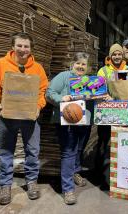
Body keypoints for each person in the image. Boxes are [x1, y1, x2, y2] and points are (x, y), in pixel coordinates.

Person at [0, 32, 48, 205]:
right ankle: (5, 185)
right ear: (12, 47)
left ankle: (31, 182)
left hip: (30, 117)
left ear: (30, 48)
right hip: (8, 116)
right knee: (6, 151)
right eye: (19, 46)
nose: (22, 49)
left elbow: (43, 91)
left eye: (26, 46)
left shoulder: (38, 68)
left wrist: (38, 106)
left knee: (33, 151)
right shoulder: (1, 64)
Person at [46, 52, 93, 205]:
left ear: (87, 67)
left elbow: (95, 96)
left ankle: (75, 173)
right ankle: (68, 189)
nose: (80, 66)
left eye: (83, 64)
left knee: (79, 149)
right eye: (78, 63)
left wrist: (104, 96)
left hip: (84, 120)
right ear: (72, 64)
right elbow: (49, 93)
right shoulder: (64, 77)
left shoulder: (90, 81)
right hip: (67, 121)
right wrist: (61, 99)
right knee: (68, 152)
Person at [96, 43, 127, 189]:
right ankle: (99, 174)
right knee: (103, 141)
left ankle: (120, 173)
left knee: (121, 142)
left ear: (122, 55)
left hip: (122, 110)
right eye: (114, 54)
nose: (116, 57)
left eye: (119, 54)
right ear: (110, 56)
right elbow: (97, 88)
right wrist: (105, 95)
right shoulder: (103, 70)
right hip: (107, 110)